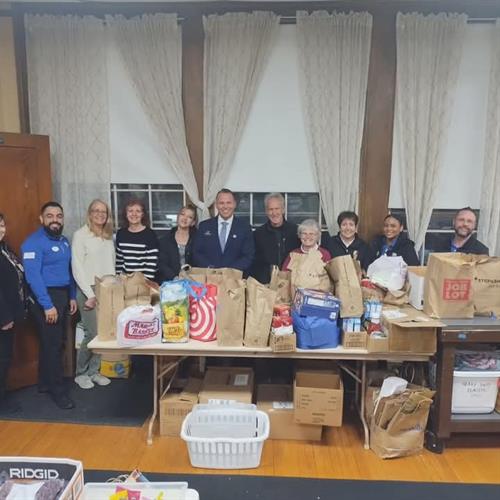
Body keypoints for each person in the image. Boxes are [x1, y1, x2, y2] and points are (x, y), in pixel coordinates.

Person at [21, 202, 77, 410]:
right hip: (44, 297)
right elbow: (33, 277)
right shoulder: (33, 243)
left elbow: (68, 271)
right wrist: (47, 305)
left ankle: (44, 382)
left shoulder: (64, 241)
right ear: (41, 219)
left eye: (59, 216)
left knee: (52, 342)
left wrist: (71, 296)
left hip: (62, 295)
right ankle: (58, 392)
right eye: (50, 215)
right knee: (53, 345)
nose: (55, 219)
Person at [72, 200, 115, 390]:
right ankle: (81, 373)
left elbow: (110, 265)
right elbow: (77, 268)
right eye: (96, 211)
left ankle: (94, 371)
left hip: (106, 288)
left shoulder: (107, 236)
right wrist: (89, 294)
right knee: (92, 333)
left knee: (103, 333)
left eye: (103, 211)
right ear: (89, 213)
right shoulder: (80, 235)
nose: (100, 214)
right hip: (87, 289)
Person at [193, 189, 255, 273]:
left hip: (235, 279)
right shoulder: (204, 226)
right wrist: (211, 269)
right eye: (221, 203)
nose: (225, 206)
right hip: (209, 278)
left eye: (228, 203)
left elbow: (248, 256)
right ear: (216, 205)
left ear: (234, 204)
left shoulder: (244, 227)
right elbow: (197, 253)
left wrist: (229, 271)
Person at [0, 214, 26, 413]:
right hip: (3, 316)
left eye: (1, 225)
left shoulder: (5, 249)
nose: (1, 229)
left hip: (11, 311)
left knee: (6, 356)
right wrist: (5, 317)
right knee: (2, 358)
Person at [250, 193, 300, 284]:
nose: (274, 213)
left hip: (291, 282)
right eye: (270, 209)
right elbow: (253, 262)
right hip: (265, 285)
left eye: (277, 209)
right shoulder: (258, 234)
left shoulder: (295, 231)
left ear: (283, 209)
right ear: (266, 211)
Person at [115, 199, 159, 280]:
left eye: (138, 211)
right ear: (126, 213)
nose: (134, 214)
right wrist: (119, 279)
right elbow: (119, 261)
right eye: (130, 211)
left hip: (143, 282)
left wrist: (145, 282)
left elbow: (151, 263)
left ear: (142, 214)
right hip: (125, 281)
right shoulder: (121, 233)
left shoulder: (150, 234)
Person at [157, 205, 197, 283]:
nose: (185, 218)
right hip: (170, 283)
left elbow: (199, 262)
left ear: (193, 222)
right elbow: (162, 264)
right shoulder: (165, 239)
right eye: (182, 214)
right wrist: (175, 278)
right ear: (178, 217)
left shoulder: (197, 239)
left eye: (189, 217)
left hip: (193, 281)